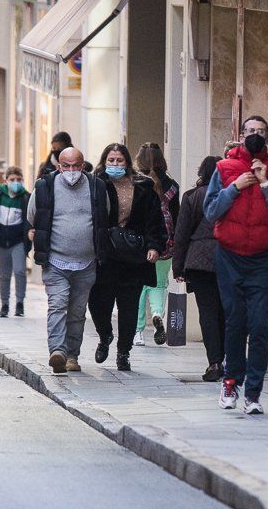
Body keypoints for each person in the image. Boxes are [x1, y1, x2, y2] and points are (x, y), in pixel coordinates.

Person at [204, 115, 268, 415]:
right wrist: (236, 187)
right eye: (251, 131)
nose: (256, 135)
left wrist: (266, 182)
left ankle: (253, 393)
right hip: (229, 256)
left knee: (258, 326)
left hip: (261, 258)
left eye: (261, 131)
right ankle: (231, 381)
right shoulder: (224, 168)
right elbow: (210, 210)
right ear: (240, 135)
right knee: (235, 322)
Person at [27, 147, 110, 374]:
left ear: (83, 166)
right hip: (55, 261)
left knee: (77, 311)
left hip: (86, 263)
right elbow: (32, 216)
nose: (71, 170)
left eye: (76, 166)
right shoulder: (44, 187)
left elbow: (105, 216)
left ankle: (72, 355)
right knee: (57, 305)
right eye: (66, 166)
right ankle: (57, 352)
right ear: (59, 166)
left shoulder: (97, 187)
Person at [89, 143, 167, 372]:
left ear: (127, 162)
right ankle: (105, 337)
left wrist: (154, 246)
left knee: (129, 307)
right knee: (98, 303)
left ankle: (124, 352)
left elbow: (155, 222)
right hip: (104, 256)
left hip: (133, 256)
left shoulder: (143, 187)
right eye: (111, 160)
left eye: (119, 160)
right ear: (104, 162)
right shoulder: (96, 186)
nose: (115, 164)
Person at [173, 156, 226, 382]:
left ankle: (214, 362)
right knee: (227, 311)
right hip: (229, 260)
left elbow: (181, 234)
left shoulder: (192, 197)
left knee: (208, 312)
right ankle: (228, 360)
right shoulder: (232, 195)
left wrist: (178, 267)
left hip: (199, 262)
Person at [133, 142, 180, 347]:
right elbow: (177, 218)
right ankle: (158, 314)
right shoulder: (172, 185)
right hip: (165, 242)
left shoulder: (135, 183)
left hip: (141, 241)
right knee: (159, 284)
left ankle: (137, 332)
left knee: (139, 287)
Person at [0, 166, 32, 318]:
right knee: (4, 274)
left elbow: (31, 217)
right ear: (6, 180)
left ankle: (20, 303)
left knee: (20, 271)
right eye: (12, 180)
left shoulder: (26, 198)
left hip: (18, 241)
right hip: (1, 241)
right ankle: (4, 304)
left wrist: (29, 232)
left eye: (19, 180)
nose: (16, 182)